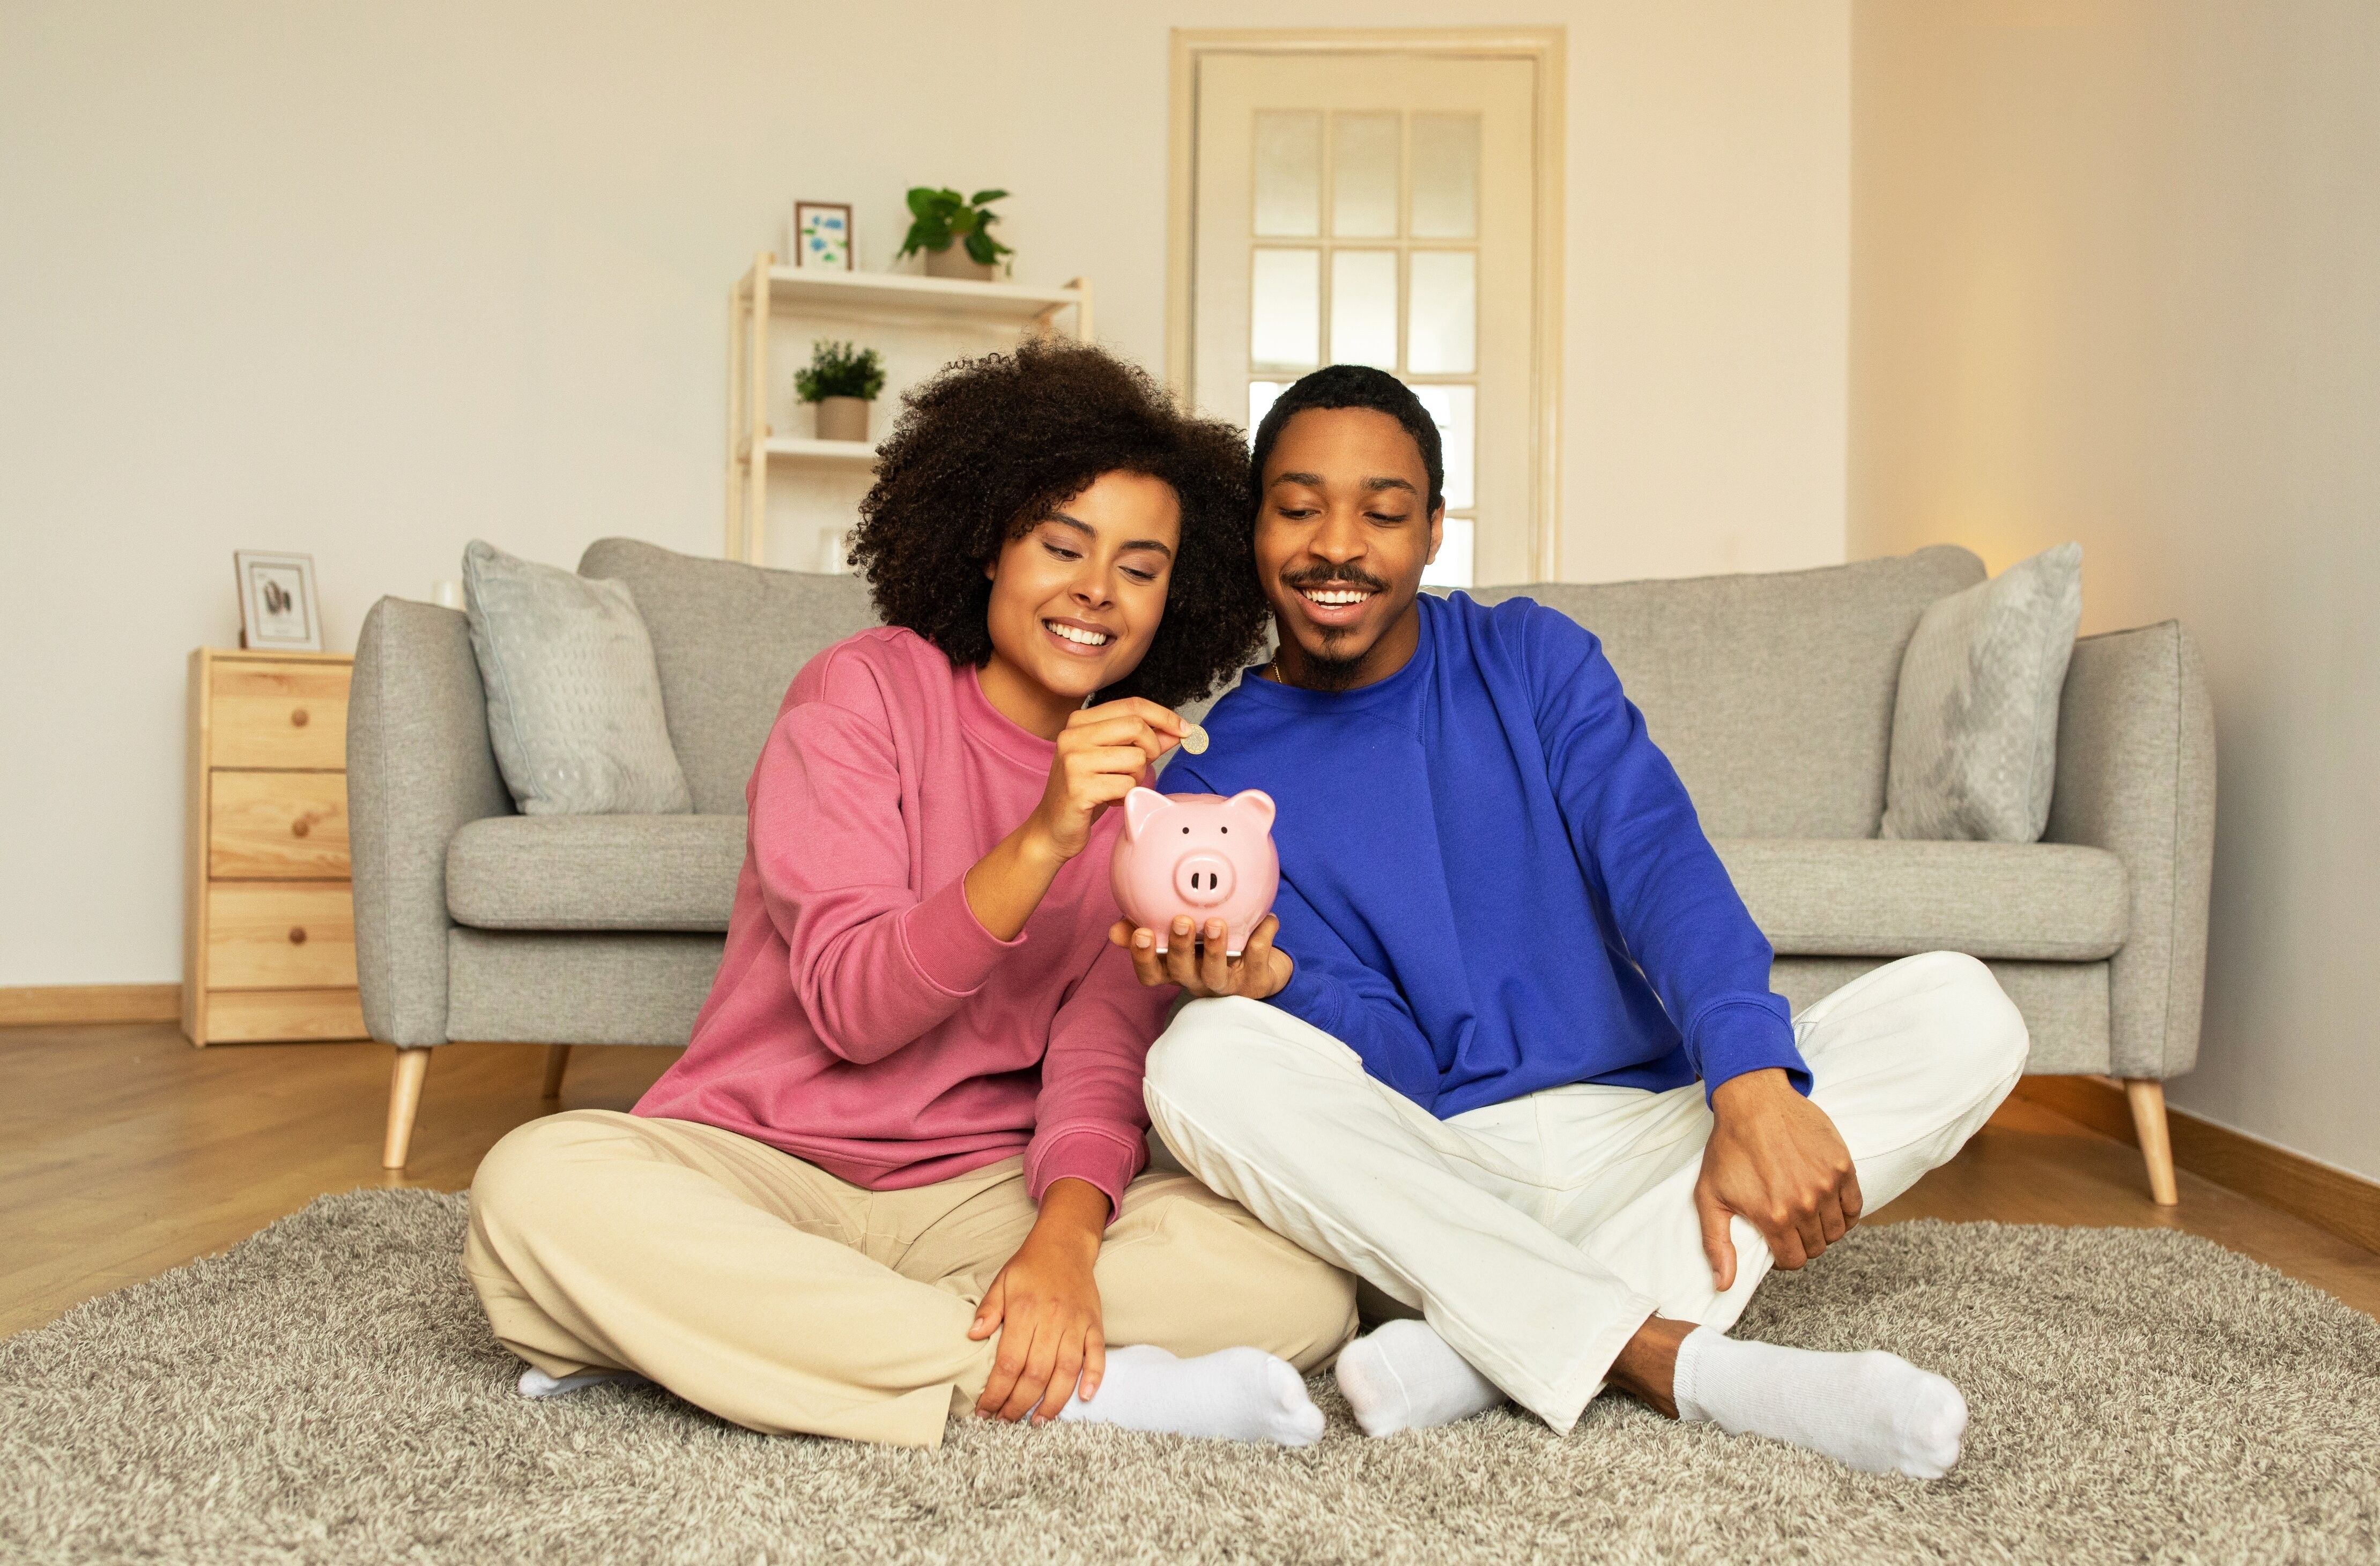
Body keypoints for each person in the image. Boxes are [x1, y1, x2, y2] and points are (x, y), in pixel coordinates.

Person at [1125, 365, 2028, 1479]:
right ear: (1257, 524)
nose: (1338, 546)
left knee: (1963, 1006)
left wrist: (1749, 1079)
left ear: (1436, 529)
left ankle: (1481, 1344)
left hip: (1647, 1130)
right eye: (1300, 506)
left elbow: (1658, 859)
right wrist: (1273, 984)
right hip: (1438, 1160)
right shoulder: (1223, 773)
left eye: (1384, 511)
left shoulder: (1533, 657)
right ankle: (1675, 1360)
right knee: (1198, 1057)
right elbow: (1397, 1058)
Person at [465, 341, 1357, 1450]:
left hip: (978, 1198)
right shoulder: (860, 695)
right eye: (1060, 545)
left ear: (1177, 593)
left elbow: (1098, 1053)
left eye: (1140, 565)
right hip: (763, 1165)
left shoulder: (1154, 791)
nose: (1096, 590)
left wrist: (1066, 1246)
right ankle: (1082, 1384)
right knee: (535, 1186)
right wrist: (1044, 832)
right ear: (990, 545)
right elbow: (855, 1004)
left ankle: (756, 1337)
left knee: (1302, 1279)